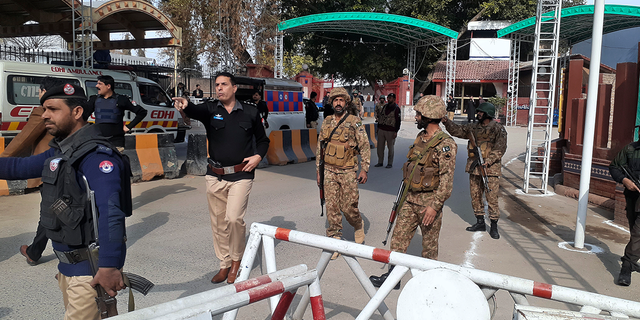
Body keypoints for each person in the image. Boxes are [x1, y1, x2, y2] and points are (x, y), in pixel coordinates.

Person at [0, 83, 130, 319]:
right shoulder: (62, 151)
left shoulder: (96, 156)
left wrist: (110, 266)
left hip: (90, 273)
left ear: (77, 112)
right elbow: (17, 167)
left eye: (52, 109)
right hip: (68, 270)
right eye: (44, 109)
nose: (45, 115)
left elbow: (111, 213)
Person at [172, 72, 269, 284]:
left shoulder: (250, 113)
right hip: (215, 176)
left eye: (224, 84)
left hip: (241, 174)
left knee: (233, 219)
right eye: (217, 85)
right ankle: (224, 263)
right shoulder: (210, 110)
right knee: (218, 223)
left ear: (234, 88)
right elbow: (194, 109)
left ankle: (236, 260)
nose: (219, 88)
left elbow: (263, 140)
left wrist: (258, 156)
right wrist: (185, 103)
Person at [369, 95, 457, 288]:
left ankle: (429, 284)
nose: (416, 117)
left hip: (429, 202)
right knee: (398, 239)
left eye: (419, 114)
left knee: (429, 247)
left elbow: (446, 182)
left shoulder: (445, 145)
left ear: (428, 115)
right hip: (410, 199)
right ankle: (393, 278)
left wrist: (434, 207)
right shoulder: (421, 137)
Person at [5, 77, 65, 266]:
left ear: (43, 91)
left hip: (46, 167)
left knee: (50, 211)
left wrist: (3, 159)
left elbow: (22, 140)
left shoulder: (42, 111)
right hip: (62, 166)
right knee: (55, 209)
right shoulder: (69, 109)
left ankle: (35, 252)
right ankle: (35, 251)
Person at [316, 87, 371, 260]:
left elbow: (364, 145)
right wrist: (319, 171)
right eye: (335, 100)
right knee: (332, 206)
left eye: (341, 100)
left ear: (346, 103)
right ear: (331, 103)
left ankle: (357, 223)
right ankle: (335, 240)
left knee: (348, 206)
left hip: (348, 170)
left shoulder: (355, 121)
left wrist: (365, 168)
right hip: (329, 170)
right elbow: (320, 148)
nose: (338, 103)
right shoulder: (327, 122)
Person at [442, 102, 507, 239]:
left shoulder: (498, 129)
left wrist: (488, 161)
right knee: (475, 196)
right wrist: (446, 121)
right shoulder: (473, 127)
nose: (478, 114)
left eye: (481, 112)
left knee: (491, 198)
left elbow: (500, 148)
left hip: (491, 170)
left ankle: (494, 226)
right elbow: (457, 130)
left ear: (488, 114)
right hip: (474, 167)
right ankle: (480, 222)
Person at [85, 75, 148, 149]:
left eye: (100, 84)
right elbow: (84, 115)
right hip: (98, 142)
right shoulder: (94, 99)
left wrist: (129, 127)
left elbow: (142, 112)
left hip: (116, 143)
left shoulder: (121, 99)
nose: (96, 86)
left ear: (108, 86)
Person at [609, 142, 640, 286]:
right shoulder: (630, 150)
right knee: (635, 231)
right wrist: (625, 180)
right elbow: (614, 167)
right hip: (633, 198)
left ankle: (627, 267)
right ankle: (633, 261)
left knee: (638, 234)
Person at [374, 93, 401, 169]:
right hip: (382, 129)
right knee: (380, 147)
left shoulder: (396, 109)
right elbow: (381, 116)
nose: (389, 99)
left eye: (391, 98)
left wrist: (396, 131)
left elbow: (398, 121)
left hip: (391, 131)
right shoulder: (385, 107)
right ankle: (380, 161)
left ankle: (389, 163)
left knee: (390, 147)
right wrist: (378, 127)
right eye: (388, 98)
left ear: (394, 99)